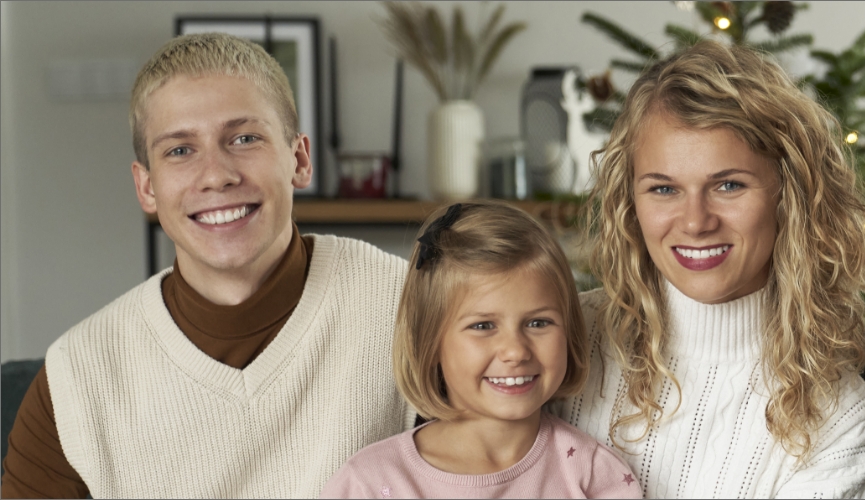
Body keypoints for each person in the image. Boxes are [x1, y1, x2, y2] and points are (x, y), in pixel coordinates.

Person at [0, 33, 415, 498]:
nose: (217, 175)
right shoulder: (76, 380)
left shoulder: (411, 309)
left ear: (298, 159)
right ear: (147, 188)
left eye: (244, 138)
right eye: (180, 150)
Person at [548, 41, 865, 498]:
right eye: (663, 189)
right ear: (630, 201)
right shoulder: (560, 341)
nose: (695, 222)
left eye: (728, 185)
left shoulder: (839, 418)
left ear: (791, 195)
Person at [322, 202, 640, 498]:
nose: (515, 351)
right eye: (483, 326)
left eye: (539, 323)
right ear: (429, 343)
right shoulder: (369, 483)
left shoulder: (594, 475)